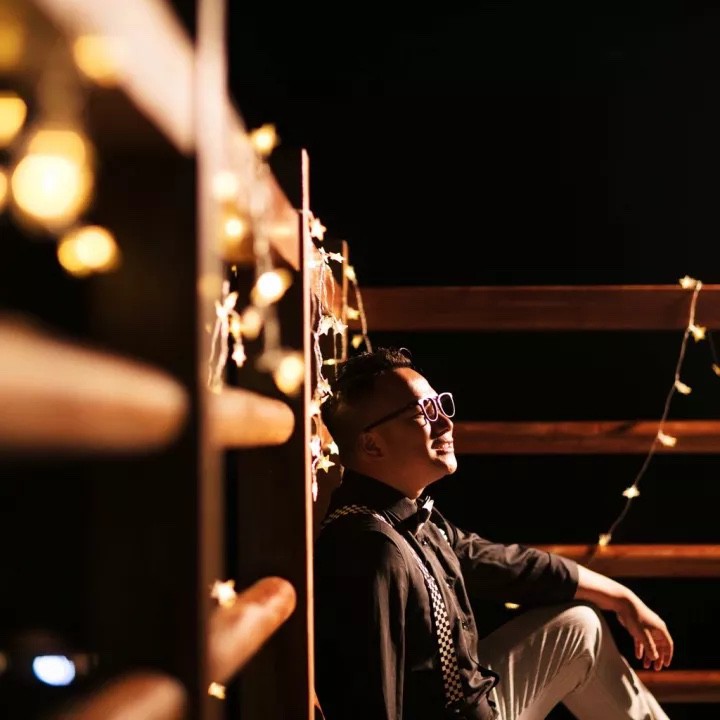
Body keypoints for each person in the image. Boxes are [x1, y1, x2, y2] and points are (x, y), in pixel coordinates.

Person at [314, 347, 673, 720]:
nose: (445, 423)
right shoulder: (371, 548)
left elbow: (509, 565)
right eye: (422, 413)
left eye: (440, 406)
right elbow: (369, 701)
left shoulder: (413, 520)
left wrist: (623, 598)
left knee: (581, 626)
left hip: (478, 702)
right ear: (372, 444)